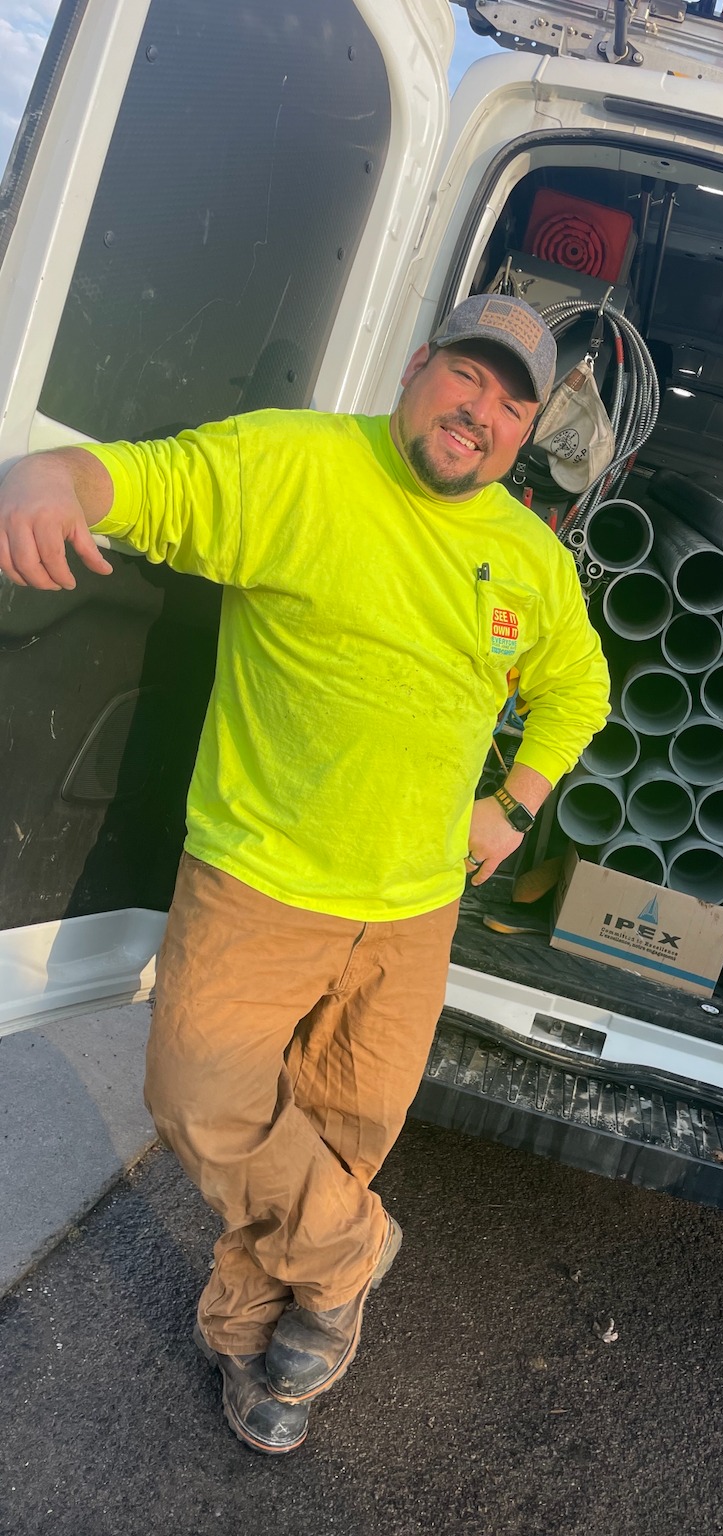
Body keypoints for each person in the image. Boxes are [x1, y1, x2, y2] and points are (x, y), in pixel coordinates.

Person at [0, 294, 611, 1455]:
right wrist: (58, 480)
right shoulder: (296, 463)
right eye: (465, 380)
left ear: (528, 432)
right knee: (196, 1097)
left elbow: (577, 687)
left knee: (333, 1139)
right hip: (260, 880)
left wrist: (514, 805)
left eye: (509, 403)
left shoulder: (528, 558)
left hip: (414, 906)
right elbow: (149, 481)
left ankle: (254, 1350)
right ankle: (349, 1254)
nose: (477, 414)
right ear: (419, 365)